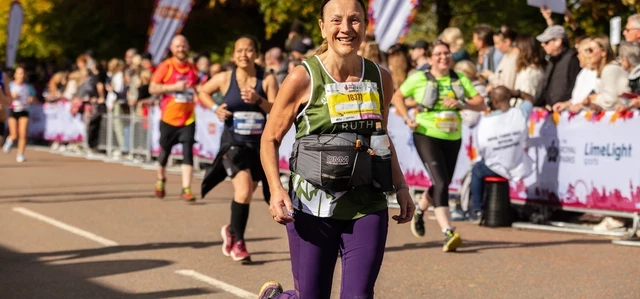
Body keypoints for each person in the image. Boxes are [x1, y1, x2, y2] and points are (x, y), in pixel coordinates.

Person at [257, 0, 414, 297]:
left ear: (365, 26)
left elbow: (381, 136)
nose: (346, 29)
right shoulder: (303, 77)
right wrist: (276, 190)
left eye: (354, 20)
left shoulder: (381, 77)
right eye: (337, 20)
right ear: (322, 26)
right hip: (312, 207)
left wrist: (401, 185)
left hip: (367, 204)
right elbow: (269, 139)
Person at [392, 40, 486, 252]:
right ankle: (448, 232)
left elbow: (481, 103)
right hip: (427, 134)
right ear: (431, 58)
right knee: (442, 181)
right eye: (438, 54)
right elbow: (397, 96)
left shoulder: (460, 79)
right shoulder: (418, 78)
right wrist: (407, 117)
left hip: (453, 136)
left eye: (446, 53)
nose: (443, 57)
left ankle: (420, 210)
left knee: (440, 183)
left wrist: (463, 104)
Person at [199, 35, 279, 263]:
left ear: (257, 54)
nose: (244, 54)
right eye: (240, 50)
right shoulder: (225, 78)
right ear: (234, 55)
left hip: (258, 146)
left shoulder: (268, 80)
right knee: (243, 191)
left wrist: (258, 100)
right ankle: (240, 243)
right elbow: (202, 92)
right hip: (233, 143)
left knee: (247, 192)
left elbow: (275, 108)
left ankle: (231, 230)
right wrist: (215, 108)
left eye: (249, 50)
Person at [470, 86, 534, 219]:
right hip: (517, 164)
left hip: (496, 166)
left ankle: (477, 209)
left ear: (494, 101)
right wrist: (516, 92)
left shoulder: (487, 120)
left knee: (477, 169)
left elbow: (482, 147)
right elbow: (530, 98)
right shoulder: (520, 113)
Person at [149, 35, 200, 201]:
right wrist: (174, 87)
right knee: (165, 152)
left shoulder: (193, 67)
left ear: (188, 47)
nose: (181, 49)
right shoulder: (166, 66)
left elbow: (197, 86)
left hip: (188, 118)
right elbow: (152, 88)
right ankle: (161, 178)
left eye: (184, 45)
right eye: (178, 46)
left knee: (188, 153)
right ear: (172, 48)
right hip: (169, 118)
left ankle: (186, 188)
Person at [3, 67, 36, 162]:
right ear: (15, 75)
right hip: (13, 110)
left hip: (24, 110)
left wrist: (31, 99)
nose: (21, 75)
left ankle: (20, 154)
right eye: (19, 73)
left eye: (22, 73)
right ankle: (10, 140)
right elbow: (5, 97)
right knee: (14, 135)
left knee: (23, 133)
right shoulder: (10, 85)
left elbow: (33, 98)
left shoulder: (28, 87)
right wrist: (12, 97)